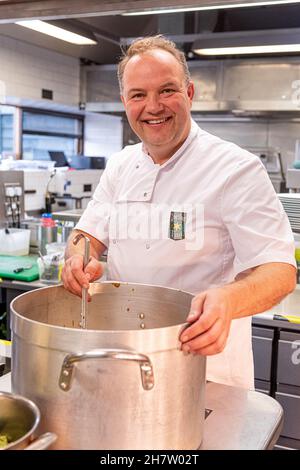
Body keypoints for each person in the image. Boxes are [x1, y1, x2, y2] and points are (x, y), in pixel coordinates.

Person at [62, 35, 296, 389]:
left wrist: (228, 299)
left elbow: (280, 272)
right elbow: (87, 235)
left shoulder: (235, 168)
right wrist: (77, 259)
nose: (153, 106)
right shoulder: (121, 165)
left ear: (189, 94)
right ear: (125, 101)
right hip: (124, 359)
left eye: (167, 90)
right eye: (138, 95)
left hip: (204, 368)